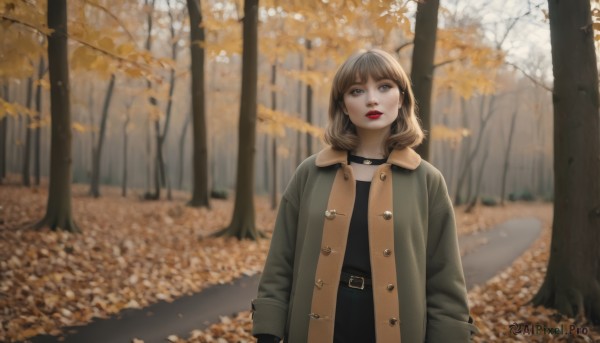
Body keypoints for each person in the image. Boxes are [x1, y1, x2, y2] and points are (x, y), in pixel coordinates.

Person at [251, 49, 477, 342]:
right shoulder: (311, 172)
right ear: (343, 106)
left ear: (402, 98)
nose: (372, 99)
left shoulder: (427, 180)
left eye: (384, 87)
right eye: (357, 90)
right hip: (314, 327)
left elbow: (444, 278)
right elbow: (281, 261)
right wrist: (268, 331)